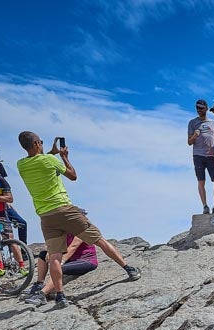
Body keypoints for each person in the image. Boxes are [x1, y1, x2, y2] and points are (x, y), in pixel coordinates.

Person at [16, 131, 140, 309]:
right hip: (65, 209)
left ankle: (60, 296)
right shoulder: (50, 161)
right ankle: (129, 269)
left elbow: (39, 160)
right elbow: (73, 176)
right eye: (40, 142)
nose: (42, 144)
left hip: (45, 216)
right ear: (36, 143)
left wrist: (50, 153)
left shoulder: (21, 165)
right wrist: (64, 157)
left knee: (56, 257)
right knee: (99, 239)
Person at [24, 234, 98, 301]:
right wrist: (49, 252)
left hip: (87, 260)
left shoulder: (79, 230)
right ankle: (39, 284)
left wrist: (60, 262)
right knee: (43, 254)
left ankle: (42, 295)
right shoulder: (62, 231)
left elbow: (73, 247)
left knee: (58, 268)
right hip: (72, 260)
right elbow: (54, 245)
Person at [188, 99, 214, 215]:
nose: (199, 110)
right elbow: (189, 142)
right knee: (201, 181)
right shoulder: (192, 122)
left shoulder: (213, 123)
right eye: (197, 108)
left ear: (206, 108)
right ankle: (205, 206)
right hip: (198, 155)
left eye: (201, 108)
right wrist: (195, 136)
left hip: (211, 155)